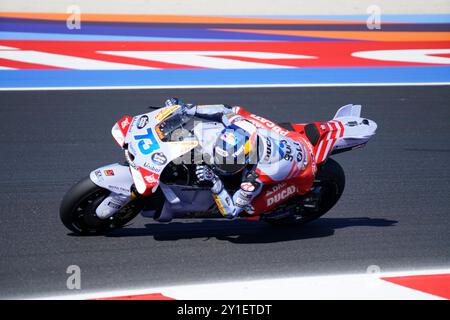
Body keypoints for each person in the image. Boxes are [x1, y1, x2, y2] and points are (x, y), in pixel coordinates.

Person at [164, 98, 316, 219]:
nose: (220, 166)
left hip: (304, 170)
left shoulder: (254, 178)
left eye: (229, 164)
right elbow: (223, 110)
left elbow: (231, 211)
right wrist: (189, 109)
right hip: (286, 138)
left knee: (250, 209)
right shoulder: (241, 125)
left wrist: (215, 183)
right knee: (235, 111)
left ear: (246, 160)